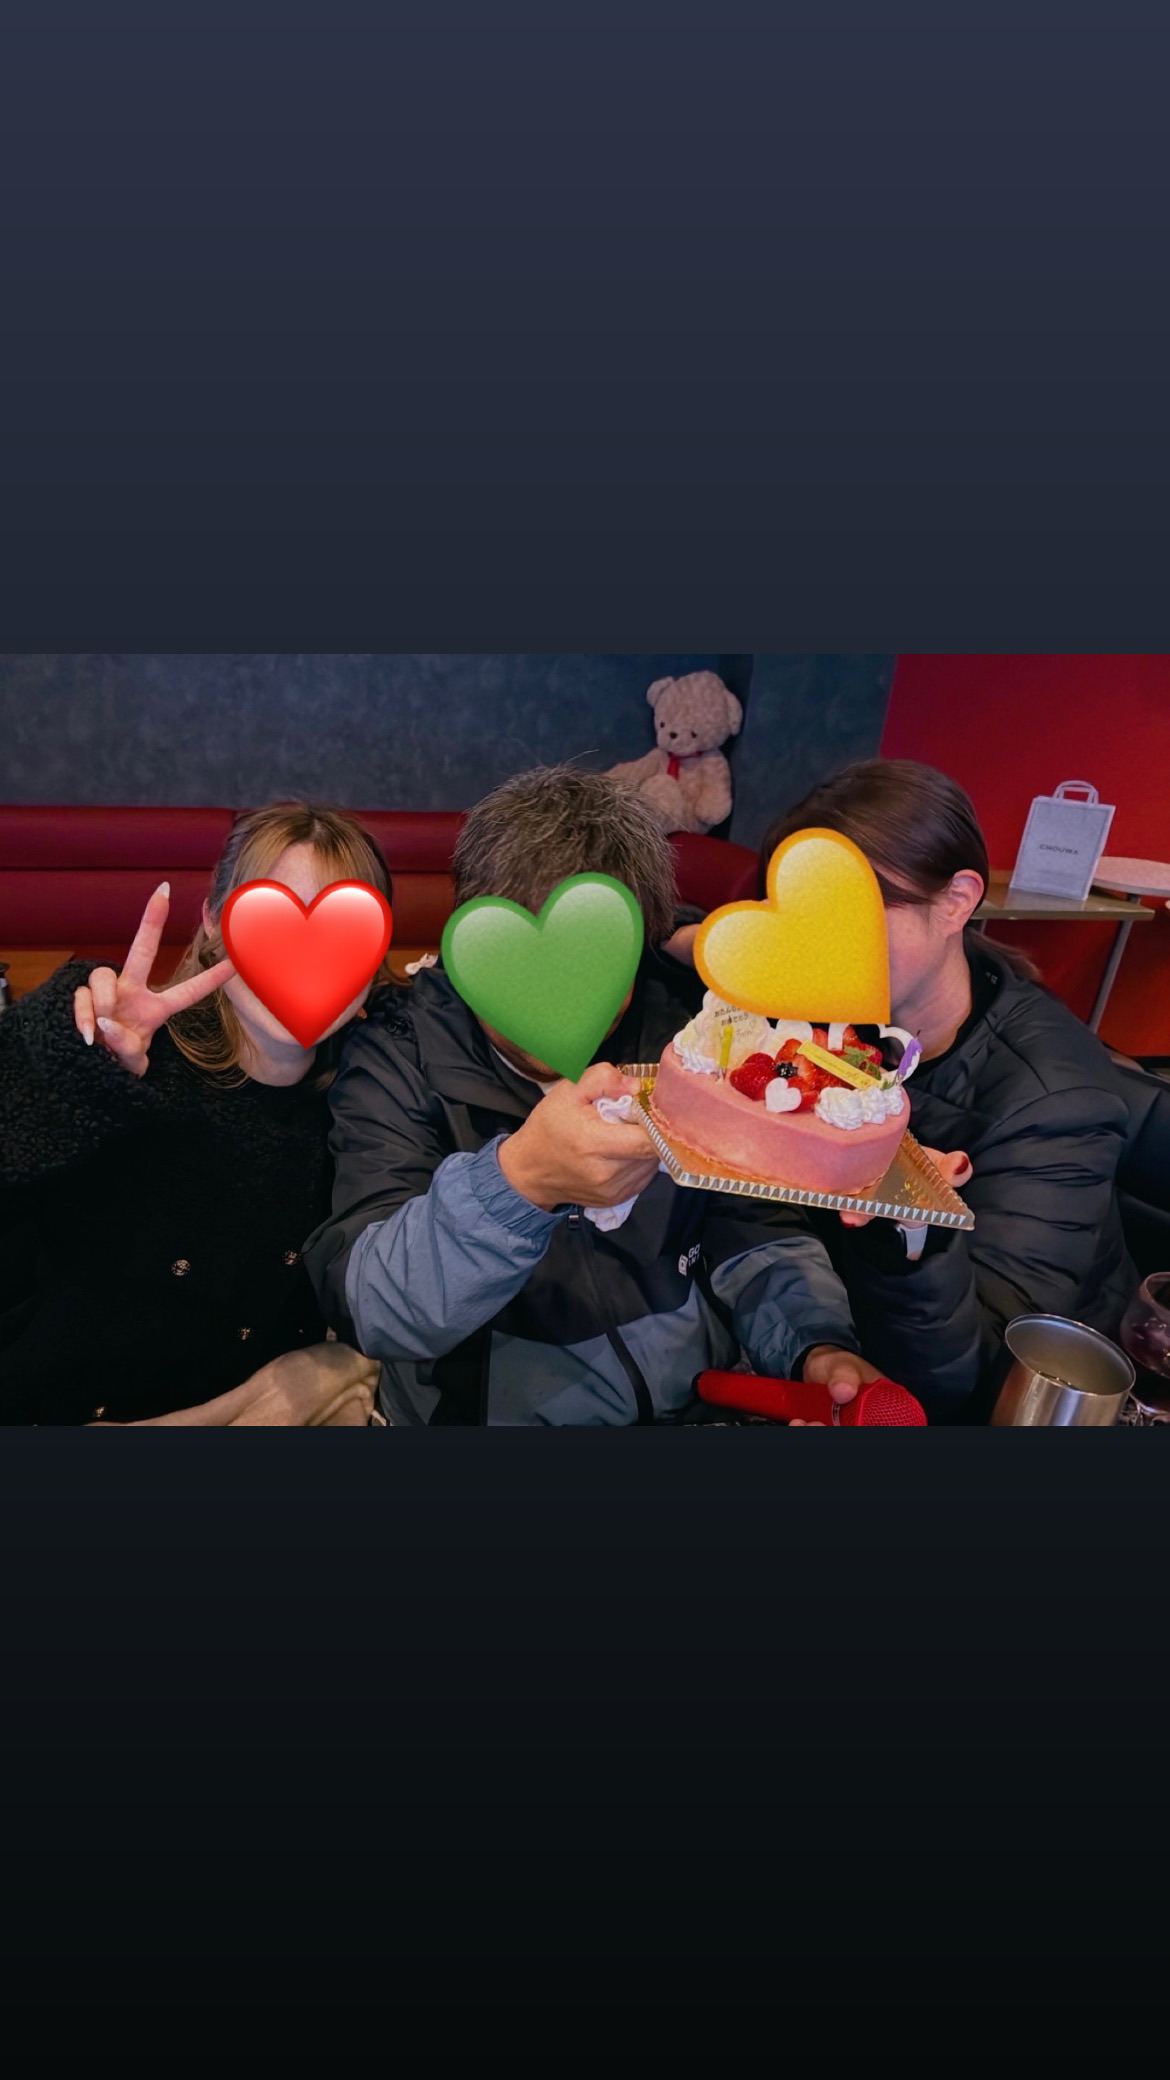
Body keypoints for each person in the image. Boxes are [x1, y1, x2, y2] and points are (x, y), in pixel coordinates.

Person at [303, 765, 976, 1425]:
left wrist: (815, 1347)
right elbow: (372, 1310)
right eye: (527, 968)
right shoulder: (400, 1053)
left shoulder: (688, 1038)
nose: (558, 1000)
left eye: (598, 963)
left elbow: (752, 1226)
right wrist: (519, 1185)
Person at [679, 757, 1136, 1416]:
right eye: (805, 917)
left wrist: (911, 1240)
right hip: (837, 1352)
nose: (823, 948)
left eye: (852, 915)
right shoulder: (826, 1023)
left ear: (955, 902)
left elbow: (974, 1380)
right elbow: (760, 1199)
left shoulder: (1056, 1101)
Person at [0, 801, 395, 1424]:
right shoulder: (134, 1067)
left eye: (343, 932)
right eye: (271, 921)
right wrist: (73, 1061)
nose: (303, 959)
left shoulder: (374, 1097)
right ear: (213, 922)